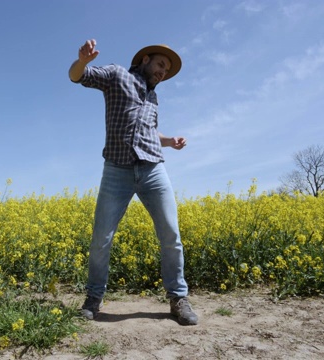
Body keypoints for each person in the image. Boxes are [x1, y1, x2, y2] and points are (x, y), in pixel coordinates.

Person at [68, 39, 198, 326]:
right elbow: (78, 77)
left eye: (167, 70)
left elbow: (150, 130)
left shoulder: (153, 98)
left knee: (171, 236)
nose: (163, 72)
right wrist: (82, 61)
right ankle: (93, 298)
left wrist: (170, 142)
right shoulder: (117, 76)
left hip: (153, 168)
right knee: (101, 239)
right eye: (161, 65)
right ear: (145, 59)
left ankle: (178, 298)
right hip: (117, 170)